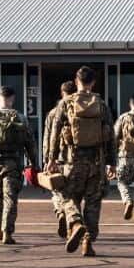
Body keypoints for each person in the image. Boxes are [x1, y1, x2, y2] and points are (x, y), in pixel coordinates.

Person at [45, 66, 115, 257]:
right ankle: (88, 243)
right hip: (96, 164)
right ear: (93, 82)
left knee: (67, 196)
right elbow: (111, 135)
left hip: (71, 162)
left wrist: (51, 159)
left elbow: (55, 132)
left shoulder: (66, 103)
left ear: (77, 82)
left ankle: (75, 222)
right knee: (93, 204)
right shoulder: (101, 104)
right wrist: (112, 163)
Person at [0, 86, 38, 245]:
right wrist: (34, 163)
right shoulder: (20, 118)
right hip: (13, 164)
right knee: (10, 198)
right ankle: (7, 232)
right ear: (12, 99)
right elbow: (30, 143)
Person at [42, 81, 77, 239]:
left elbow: (48, 137)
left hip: (58, 159)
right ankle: (72, 225)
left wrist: (47, 159)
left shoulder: (53, 113)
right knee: (73, 195)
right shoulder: (80, 110)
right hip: (76, 160)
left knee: (57, 192)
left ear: (61, 93)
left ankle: (60, 213)